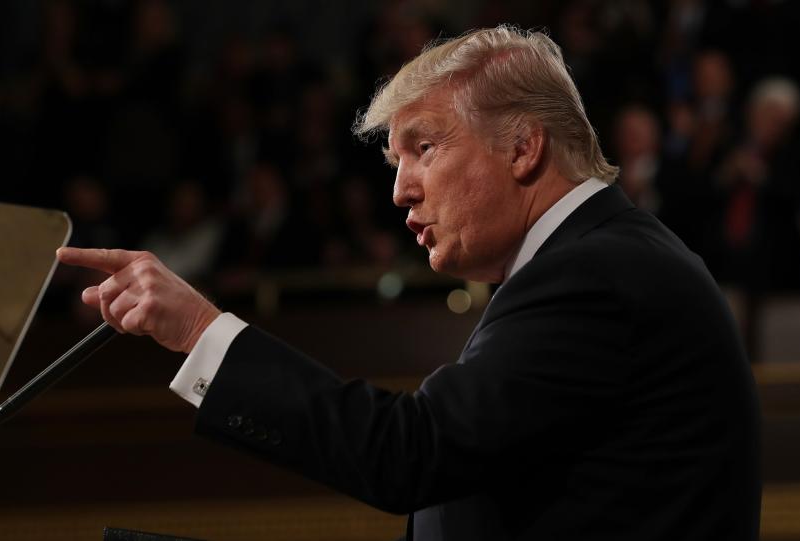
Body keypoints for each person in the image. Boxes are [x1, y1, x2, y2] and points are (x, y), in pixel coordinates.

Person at [58, 26, 761, 541]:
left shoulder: (599, 273)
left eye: (423, 148)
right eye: (395, 161)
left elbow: (410, 453)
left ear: (523, 146)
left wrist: (199, 330)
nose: (399, 191)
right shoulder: (588, 262)